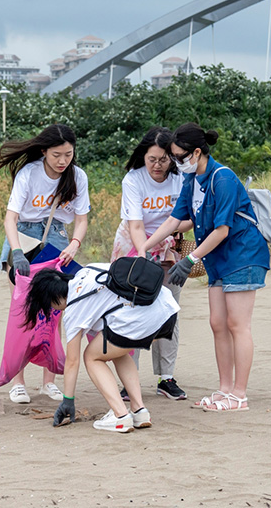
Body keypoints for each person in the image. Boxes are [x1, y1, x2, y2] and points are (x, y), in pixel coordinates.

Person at [143, 122, 270, 412]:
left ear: (196, 152)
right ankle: (224, 389)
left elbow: (222, 229)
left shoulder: (221, 178)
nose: (175, 162)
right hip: (217, 259)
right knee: (217, 324)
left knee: (238, 325)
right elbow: (177, 220)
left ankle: (239, 394)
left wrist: (189, 259)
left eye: (178, 156)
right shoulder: (192, 180)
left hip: (242, 255)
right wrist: (144, 247)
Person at [0, 124, 90, 404]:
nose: (62, 161)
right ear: (44, 151)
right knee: (24, 310)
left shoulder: (77, 176)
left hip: (57, 240)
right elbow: (10, 218)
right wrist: (17, 252)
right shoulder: (29, 173)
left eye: (68, 155)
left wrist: (74, 244)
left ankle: (49, 381)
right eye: (57, 154)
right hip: (23, 236)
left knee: (56, 310)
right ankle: (18, 382)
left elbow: (81, 220)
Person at [24, 264, 179, 433]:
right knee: (117, 349)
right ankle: (139, 410)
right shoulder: (87, 271)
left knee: (91, 357)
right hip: (167, 309)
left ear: (52, 299)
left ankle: (120, 416)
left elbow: (72, 361)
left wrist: (68, 400)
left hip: (142, 318)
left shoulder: (73, 308)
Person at [111, 126, 191, 401]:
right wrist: (142, 254)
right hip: (135, 246)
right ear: (143, 157)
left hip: (170, 247)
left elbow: (191, 217)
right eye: (152, 160)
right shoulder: (133, 180)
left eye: (164, 160)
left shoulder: (182, 179)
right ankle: (127, 377)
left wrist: (166, 236)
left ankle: (165, 377)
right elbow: (135, 224)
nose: (157, 166)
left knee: (169, 310)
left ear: (173, 158)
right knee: (129, 309)